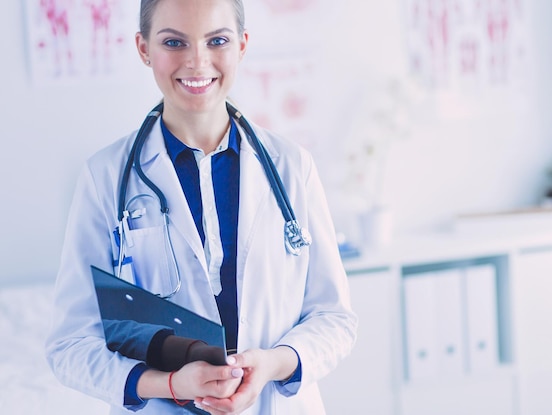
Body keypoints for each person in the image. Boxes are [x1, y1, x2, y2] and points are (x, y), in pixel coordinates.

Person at [45, 0, 358, 414]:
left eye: (218, 40)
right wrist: (171, 384)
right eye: (174, 41)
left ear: (242, 45)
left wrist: (272, 364)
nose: (197, 61)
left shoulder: (291, 167)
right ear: (143, 49)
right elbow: (70, 343)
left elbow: (334, 318)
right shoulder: (104, 178)